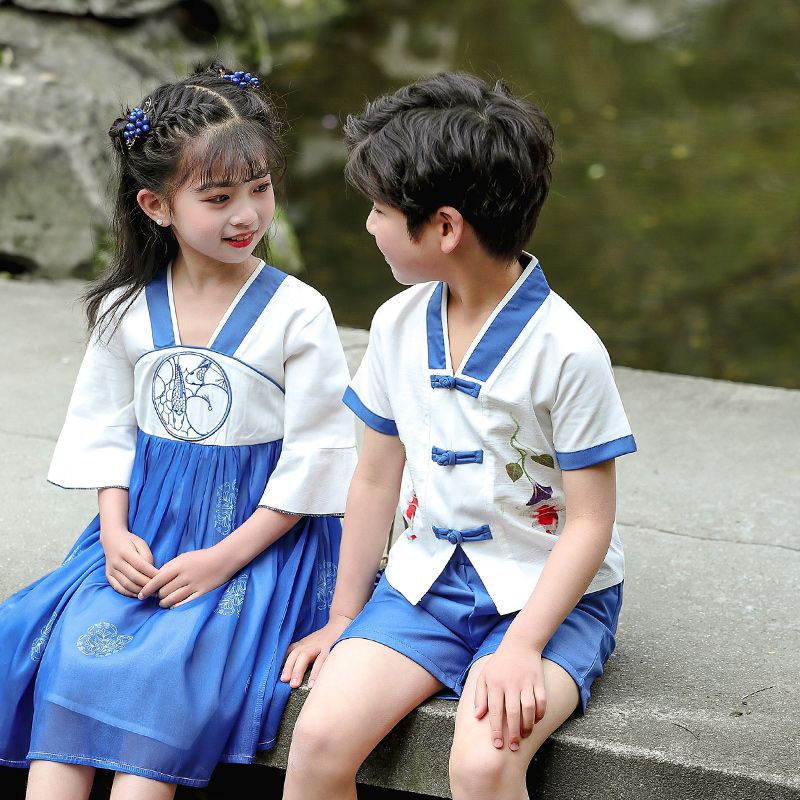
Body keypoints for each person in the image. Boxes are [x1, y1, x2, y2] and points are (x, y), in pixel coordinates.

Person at [0, 62, 357, 799]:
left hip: (260, 539)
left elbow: (318, 456)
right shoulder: (128, 308)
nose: (247, 215)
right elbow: (106, 430)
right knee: (63, 651)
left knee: (162, 672)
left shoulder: (297, 313)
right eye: (219, 197)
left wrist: (223, 559)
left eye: (258, 189)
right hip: (148, 526)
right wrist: (113, 531)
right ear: (157, 206)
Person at [280, 72, 637, 800]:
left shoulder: (567, 350)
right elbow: (376, 478)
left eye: (380, 209)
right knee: (317, 738)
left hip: (548, 599)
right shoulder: (396, 324)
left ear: (444, 228)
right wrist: (345, 616)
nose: (369, 225)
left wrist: (523, 648)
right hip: (424, 582)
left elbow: (591, 521)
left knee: (480, 761)